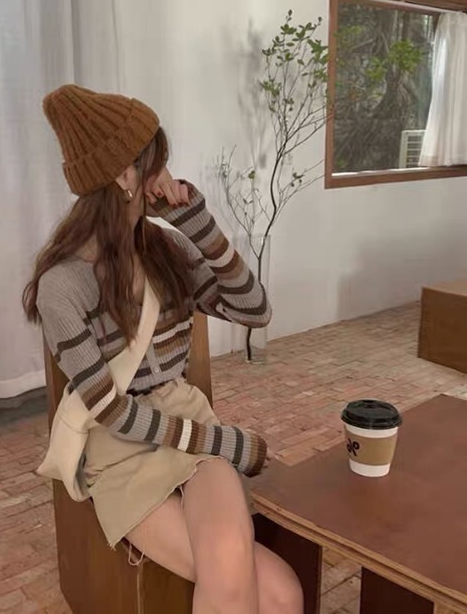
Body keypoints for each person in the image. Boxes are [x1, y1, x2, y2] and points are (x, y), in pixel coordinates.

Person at [23, 84, 303, 614]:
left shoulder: (166, 249)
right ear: (124, 176)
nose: (167, 175)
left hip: (186, 419)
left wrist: (197, 223)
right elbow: (109, 410)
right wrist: (228, 443)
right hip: (119, 448)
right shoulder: (63, 285)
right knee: (265, 587)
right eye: (156, 161)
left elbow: (255, 309)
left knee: (283, 591)